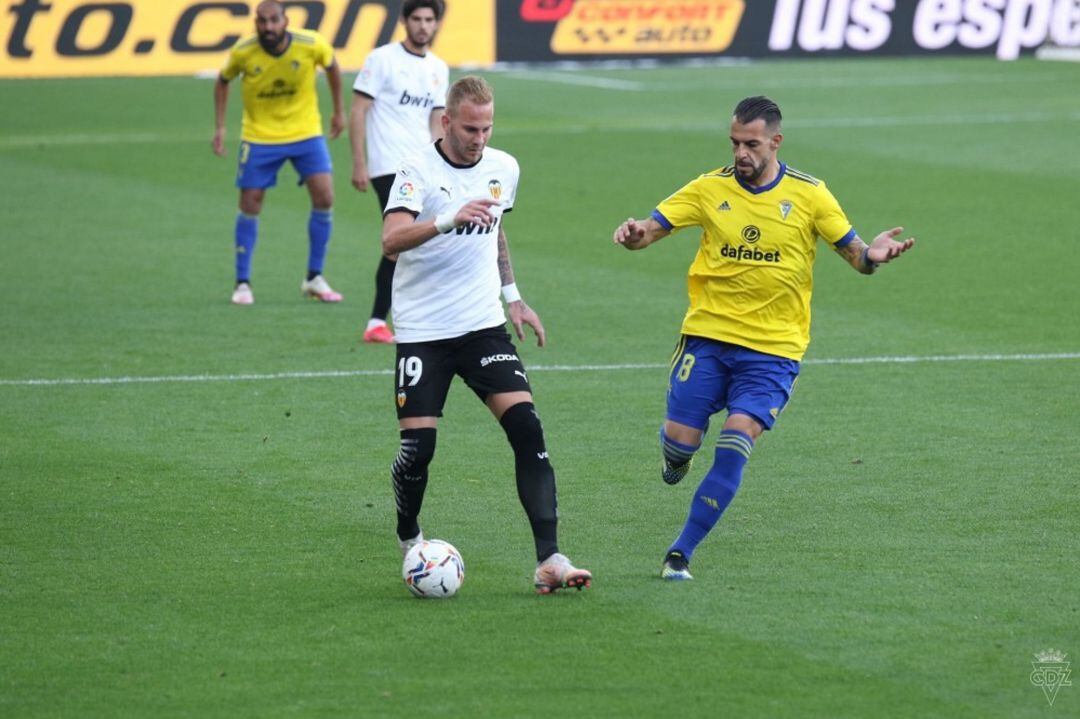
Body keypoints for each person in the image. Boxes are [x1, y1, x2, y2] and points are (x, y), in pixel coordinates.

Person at [612, 96, 915, 581]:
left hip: (773, 350)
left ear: (775, 142)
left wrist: (874, 255)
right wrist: (632, 235)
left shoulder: (811, 194)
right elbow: (651, 230)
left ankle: (680, 552)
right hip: (707, 337)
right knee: (680, 444)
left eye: (751, 144)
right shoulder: (709, 188)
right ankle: (676, 455)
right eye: (735, 142)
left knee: (736, 439)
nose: (740, 153)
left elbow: (855, 255)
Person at [382, 76, 592, 594]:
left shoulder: (504, 167)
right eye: (470, 128)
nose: (479, 138)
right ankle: (410, 536)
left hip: (482, 327)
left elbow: (496, 229)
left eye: (487, 127)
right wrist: (448, 217)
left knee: (528, 429)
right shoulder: (415, 170)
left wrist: (513, 296)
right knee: (419, 450)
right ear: (447, 121)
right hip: (424, 331)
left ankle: (550, 559)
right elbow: (391, 241)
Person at [212, 0, 345, 306]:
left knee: (325, 197)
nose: (268, 27)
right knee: (249, 203)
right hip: (259, 136)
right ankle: (242, 282)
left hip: (305, 132)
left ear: (286, 21)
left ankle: (314, 277)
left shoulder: (310, 43)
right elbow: (222, 80)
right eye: (262, 21)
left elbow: (333, 65)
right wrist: (220, 127)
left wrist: (339, 111)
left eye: (274, 21)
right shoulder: (243, 52)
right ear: (255, 23)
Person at [350, 0, 450, 343]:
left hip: (424, 167)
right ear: (405, 22)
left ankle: (389, 319)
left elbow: (436, 122)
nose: (423, 26)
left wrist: (445, 164)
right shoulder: (382, 60)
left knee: (417, 242)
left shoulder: (438, 67)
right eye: (417, 19)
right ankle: (379, 320)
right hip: (387, 166)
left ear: (436, 24)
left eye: (429, 20)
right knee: (401, 241)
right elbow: (359, 111)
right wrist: (359, 163)